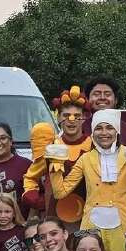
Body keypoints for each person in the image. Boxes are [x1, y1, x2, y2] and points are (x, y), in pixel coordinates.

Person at [52, 108, 126, 251]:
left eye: (109, 127)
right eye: (98, 128)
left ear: (117, 131)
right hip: (91, 227)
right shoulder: (85, 159)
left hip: (122, 226)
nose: (104, 132)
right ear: (92, 132)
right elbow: (60, 192)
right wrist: (55, 165)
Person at [31, 88, 92, 230]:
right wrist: (34, 196)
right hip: (55, 217)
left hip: (86, 217)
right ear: (58, 117)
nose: (72, 120)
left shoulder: (93, 145)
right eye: (66, 115)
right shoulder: (50, 146)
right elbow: (32, 176)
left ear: (83, 118)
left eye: (77, 116)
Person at [81, 77, 126, 145]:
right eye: (96, 94)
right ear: (87, 99)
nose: (102, 97)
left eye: (107, 94)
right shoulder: (80, 128)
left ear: (116, 100)